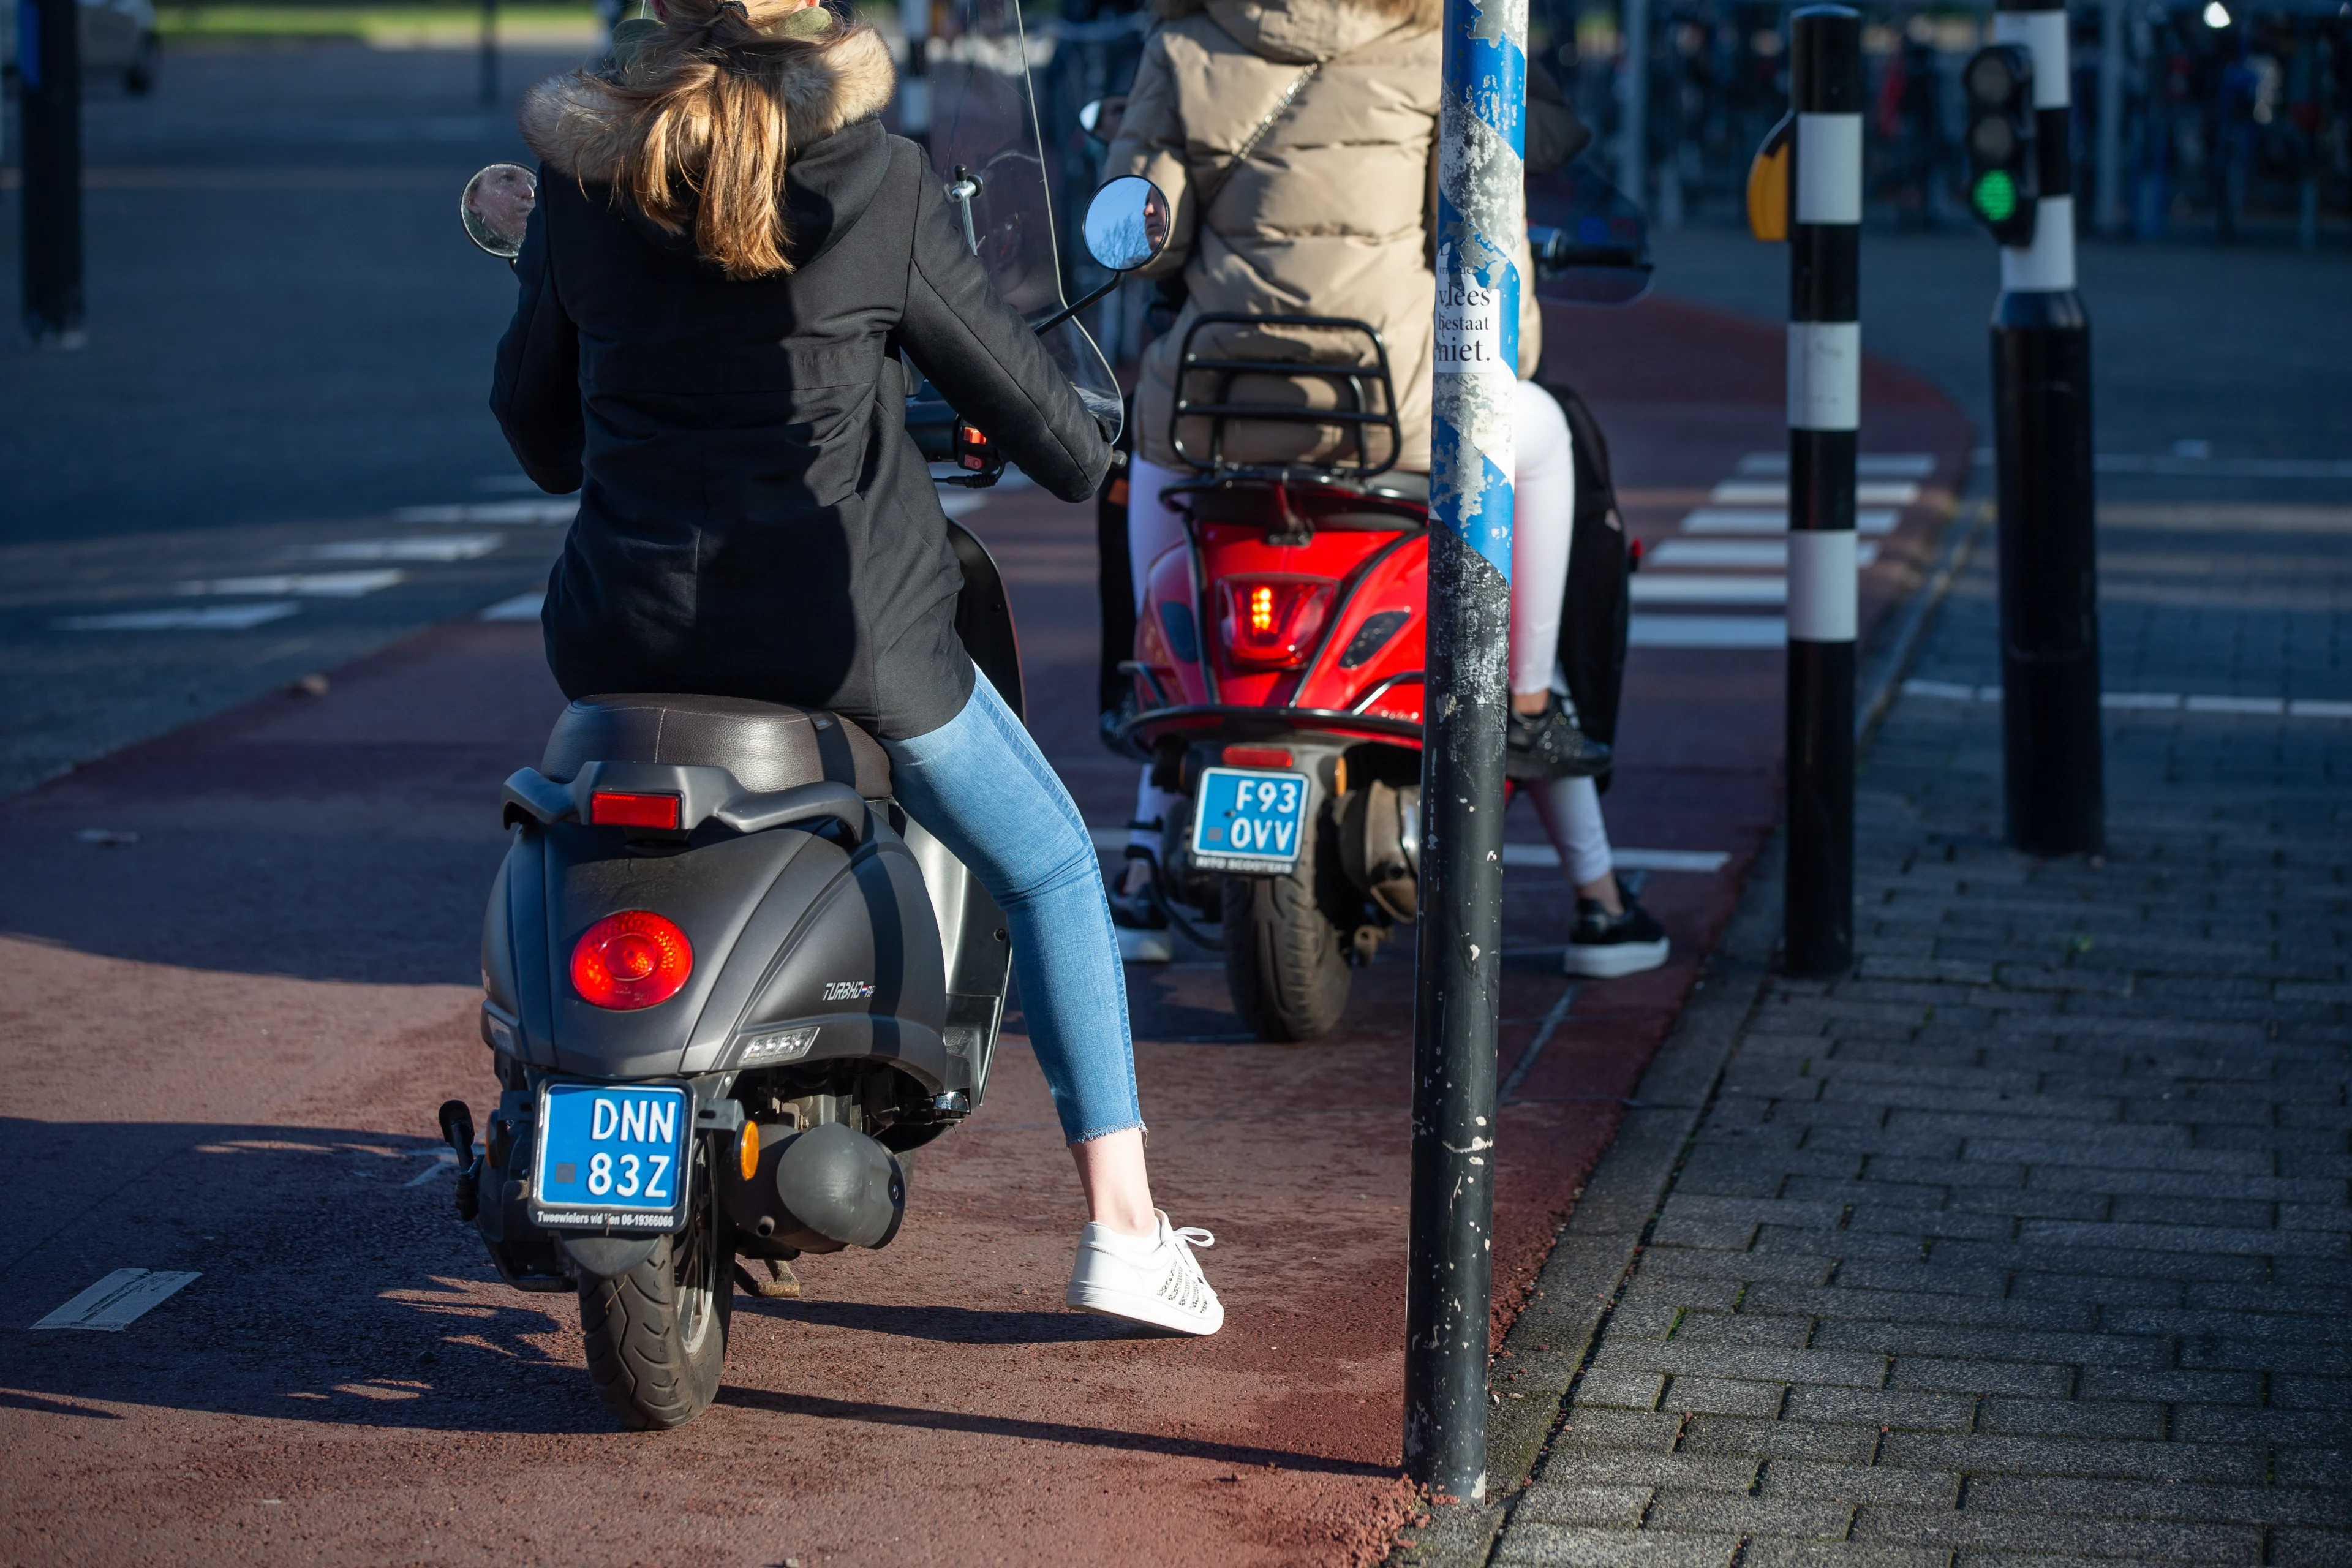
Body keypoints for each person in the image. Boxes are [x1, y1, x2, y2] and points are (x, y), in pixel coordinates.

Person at [489, 0, 1223, 1336]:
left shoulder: (587, 171)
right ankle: (1123, 1226)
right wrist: (1071, 432)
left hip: (624, 630)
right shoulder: (876, 175)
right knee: (1054, 863)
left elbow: (536, 431)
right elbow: (1047, 427)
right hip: (847, 638)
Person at [1097, 0, 1665, 974]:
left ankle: (1147, 817)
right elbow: (1490, 265)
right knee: (1543, 434)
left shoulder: (1185, 42)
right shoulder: (1450, 46)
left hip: (1214, 407)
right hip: (1398, 413)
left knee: (1147, 453)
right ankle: (1533, 716)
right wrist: (1504, 362)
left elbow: (1140, 235)